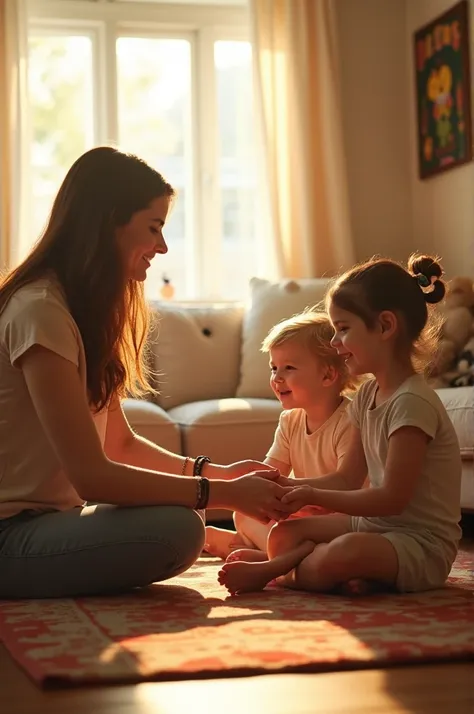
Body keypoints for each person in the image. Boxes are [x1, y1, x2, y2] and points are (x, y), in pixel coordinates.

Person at [0, 146, 295, 599]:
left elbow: (119, 443)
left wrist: (219, 474)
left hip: (47, 523)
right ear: (108, 223)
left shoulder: (75, 311)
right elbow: (93, 478)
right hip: (11, 537)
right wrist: (227, 495)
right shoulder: (40, 311)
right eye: (154, 228)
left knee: (182, 516)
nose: (162, 246)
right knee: (178, 528)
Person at [218, 254, 463, 596]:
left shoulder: (412, 403)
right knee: (285, 533)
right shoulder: (366, 398)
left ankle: (276, 571)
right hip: (374, 527)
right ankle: (331, 573)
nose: (334, 344)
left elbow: (392, 499)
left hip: (418, 543)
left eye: (343, 329)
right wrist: (291, 488)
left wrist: (313, 494)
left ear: (385, 327)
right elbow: (347, 479)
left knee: (346, 552)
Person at [204, 310, 359, 560]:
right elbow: (272, 473)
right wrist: (251, 491)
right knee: (243, 513)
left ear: (328, 375)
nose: (277, 378)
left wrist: (295, 493)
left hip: (343, 518)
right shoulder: (290, 420)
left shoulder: (351, 421)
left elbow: (346, 487)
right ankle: (273, 552)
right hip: (305, 515)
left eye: (289, 368)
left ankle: (259, 551)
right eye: (273, 368)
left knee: (301, 535)